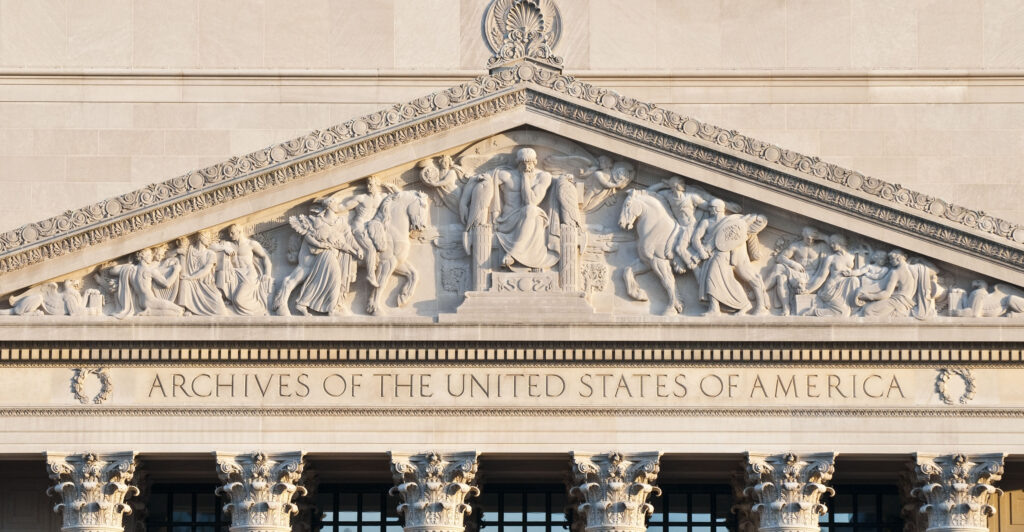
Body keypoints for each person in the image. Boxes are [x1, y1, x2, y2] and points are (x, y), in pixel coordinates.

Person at [692, 199, 770, 316]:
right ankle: (716, 308)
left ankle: (757, 305)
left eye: (712, 208)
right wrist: (700, 250)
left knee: (715, 278)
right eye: (710, 208)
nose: (710, 210)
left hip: (726, 255)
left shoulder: (731, 222)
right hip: (711, 255)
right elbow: (695, 238)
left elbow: (741, 231)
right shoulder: (707, 222)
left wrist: (759, 219)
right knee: (712, 279)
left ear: (717, 209)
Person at [648, 175, 741, 273]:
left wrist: (727, 206)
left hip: (690, 226)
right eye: (681, 183)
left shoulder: (690, 197)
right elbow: (650, 193)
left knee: (680, 248)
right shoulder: (668, 195)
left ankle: (694, 269)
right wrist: (662, 184)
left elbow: (709, 205)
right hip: (677, 227)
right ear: (675, 186)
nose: (684, 185)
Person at [493, 147, 558, 269]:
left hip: (530, 216)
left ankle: (513, 253)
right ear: (518, 162)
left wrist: (525, 179)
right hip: (508, 220)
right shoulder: (505, 175)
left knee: (532, 210)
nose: (527, 166)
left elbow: (530, 201)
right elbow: (485, 182)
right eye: (523, 163)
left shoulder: (543, 177)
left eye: (530, 163)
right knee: (531, 211)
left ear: (535, 162)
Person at [335, 176, 398, 287]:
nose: (368, 187)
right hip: (359, 226)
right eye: (367, 184)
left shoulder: (382, 198)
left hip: (372, 227)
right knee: (370, 249)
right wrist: (328, 204)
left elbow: (398, 197)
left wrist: (393, 187)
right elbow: (343, 207)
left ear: (376, 185)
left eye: (371, 184)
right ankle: (370, 275)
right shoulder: (361, 198)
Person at [766, 226, 829, 315]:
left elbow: (836, 244)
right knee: (779, 271)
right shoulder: (796, 246)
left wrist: (823, 236)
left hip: (813, 277)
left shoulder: (821, 246)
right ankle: (783, 305)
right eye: (808, 238)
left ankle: (759, 291)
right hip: (799, 275)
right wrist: (793, 264)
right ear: (803, 235)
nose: (810, 241)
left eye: (813, 238)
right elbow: (780, 257)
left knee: (781, 274)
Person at [213, 224, 273, 316]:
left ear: (239, 232)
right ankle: (222, 299)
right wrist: (224, 248)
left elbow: (265, 257)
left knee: (239, 299)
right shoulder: (229, 245)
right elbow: (211, 247)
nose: (230, 235)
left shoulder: (251, 244)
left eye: (232, 233)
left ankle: (261, 311)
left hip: (249, 275)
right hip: (235, 274)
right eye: (229, 233)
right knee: (222, 271)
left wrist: (267, 274)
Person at [106, 248, 184, 318]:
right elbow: (167, 284)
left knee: (177, 311)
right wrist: (176, 270)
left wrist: (128, 264)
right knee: (179, 310)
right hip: (151, 301)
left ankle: (148, 312)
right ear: (143, 257)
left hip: (141, 302)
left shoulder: (131, 270)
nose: (151, 257)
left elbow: (113, 270)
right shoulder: (150, 271)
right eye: (149, 255)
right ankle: (149, 313)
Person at [176, 230, 228, 316]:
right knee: (184, 281)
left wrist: (191, 277)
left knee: (221, 311)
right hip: (191, 283)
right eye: (207, 238)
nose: (209, 240)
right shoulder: (190, 250)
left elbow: (206, 270)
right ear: (201, 238)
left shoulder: (210, 254)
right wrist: (176, 251)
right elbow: (169, 254)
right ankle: (187, 307)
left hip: (206, 285)